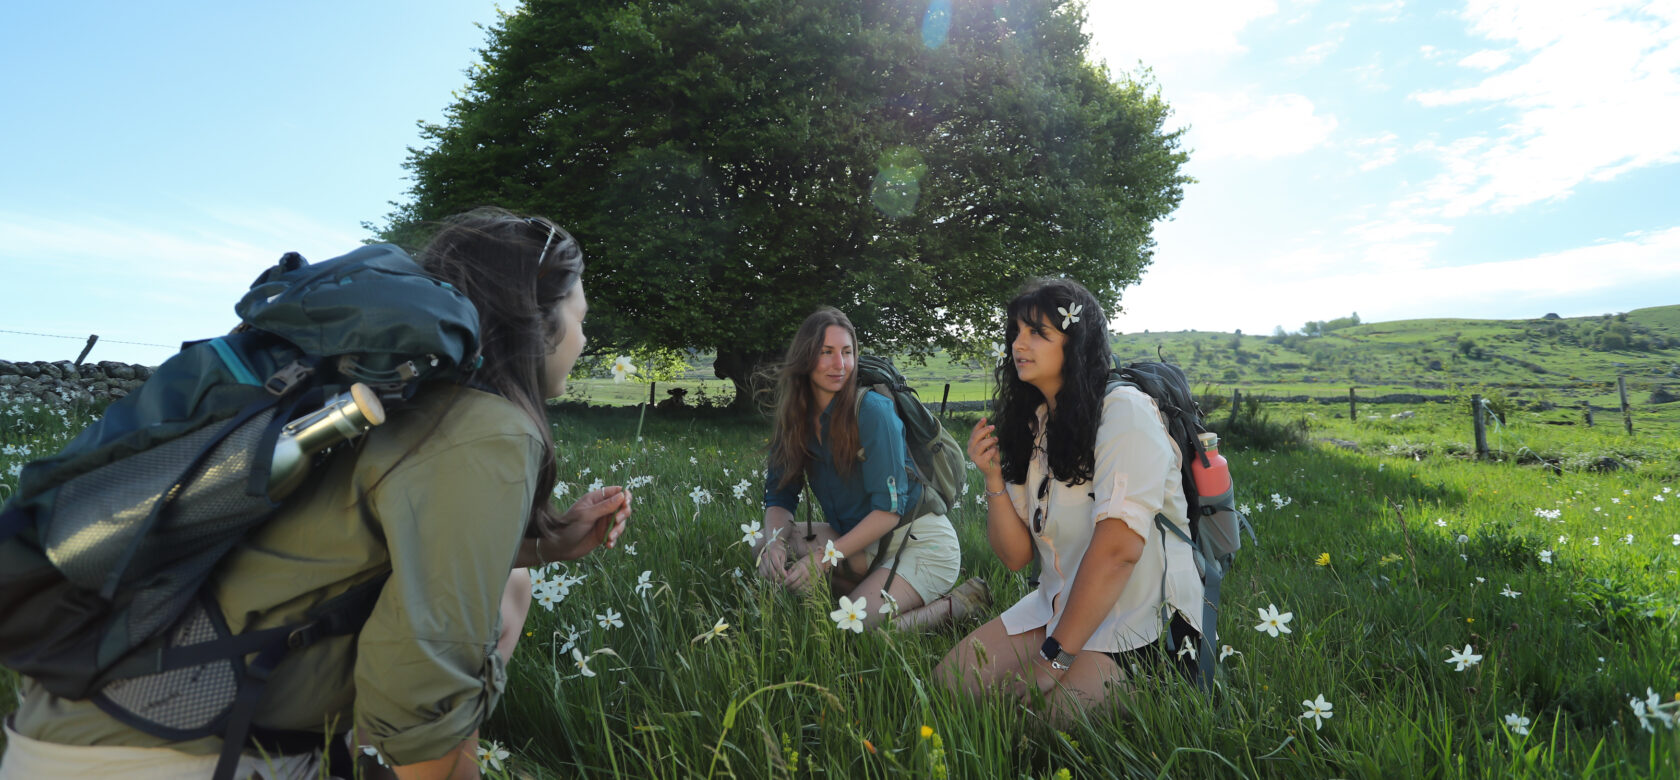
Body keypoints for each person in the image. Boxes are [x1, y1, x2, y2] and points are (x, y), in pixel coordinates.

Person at [1, 208, 632, 780]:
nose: (583, 338)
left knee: (510, 585)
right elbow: (418, 688)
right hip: (165, 759)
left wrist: (541, 548)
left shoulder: (372, 395)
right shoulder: (484, 429)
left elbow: (322, 550)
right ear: (537, 321)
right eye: (581, 316)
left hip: (76, 726)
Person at [934, 278, 1204, 720]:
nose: (1019, 344)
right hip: (1058, 606)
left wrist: (1052, 660)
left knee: (1030, 722)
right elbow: (1018, 557)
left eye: (1037, 333)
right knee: (949, 685)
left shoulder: (1125, 412)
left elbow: (1119, 550)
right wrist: (993, 480)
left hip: (1141, 622)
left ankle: (1158, 683)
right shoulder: (1035, 423)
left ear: (1075, 344)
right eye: (1016, 332)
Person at [749, 308, 984, 630]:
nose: (840, 365)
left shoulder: (873, 411)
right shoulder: (795, 419)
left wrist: (821, 560)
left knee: (855, 628)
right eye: (826, 353)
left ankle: (957, 605)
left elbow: (888, 512)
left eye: (847, 352)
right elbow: (779, 496)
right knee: (763, 545)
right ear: (804, 358)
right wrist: (775, 541)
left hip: (918, 542)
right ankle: (875, 587)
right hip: (858, 540)